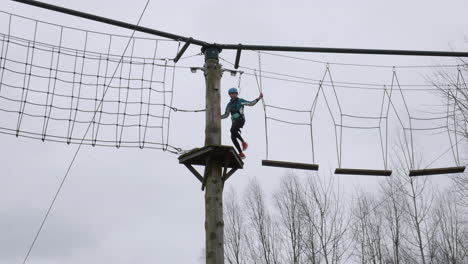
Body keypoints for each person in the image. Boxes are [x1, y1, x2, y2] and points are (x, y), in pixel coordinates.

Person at [221, 87, 263, 159]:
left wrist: (258, 98)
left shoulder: (240, 101)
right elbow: (226, 115)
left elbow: (250, 103)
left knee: (232, 130)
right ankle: (241, 153)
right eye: (230, 94)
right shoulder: (229, 105)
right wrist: (217, 117)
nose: (232, 95)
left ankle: (243, 143)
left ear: (236, 94)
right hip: (234, 122)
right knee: (232, 137)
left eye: (233, 93)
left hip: (240, 119)